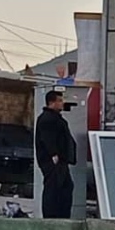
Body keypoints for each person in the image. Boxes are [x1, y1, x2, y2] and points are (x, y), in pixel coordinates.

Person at [35, 90, 77, 219]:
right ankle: (51, 216)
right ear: (51, 103)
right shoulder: (47, 119)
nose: (62, 103)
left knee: (66, 187)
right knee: (53, 188)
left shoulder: (55, 118)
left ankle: (62, 215)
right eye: (59, 101)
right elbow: (48, 138)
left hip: (61, 160)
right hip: (53, 161)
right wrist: (53, 154)